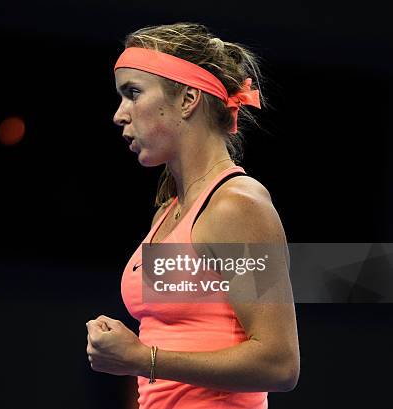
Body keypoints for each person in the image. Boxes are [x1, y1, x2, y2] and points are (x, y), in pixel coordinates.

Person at [85, 23, 300, 408]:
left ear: (187, 99)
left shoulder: (236, 205)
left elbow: (280, 364)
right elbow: (190, 328)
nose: (120, 114)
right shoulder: (169, 212)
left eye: (133, 93)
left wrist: (140, 358)